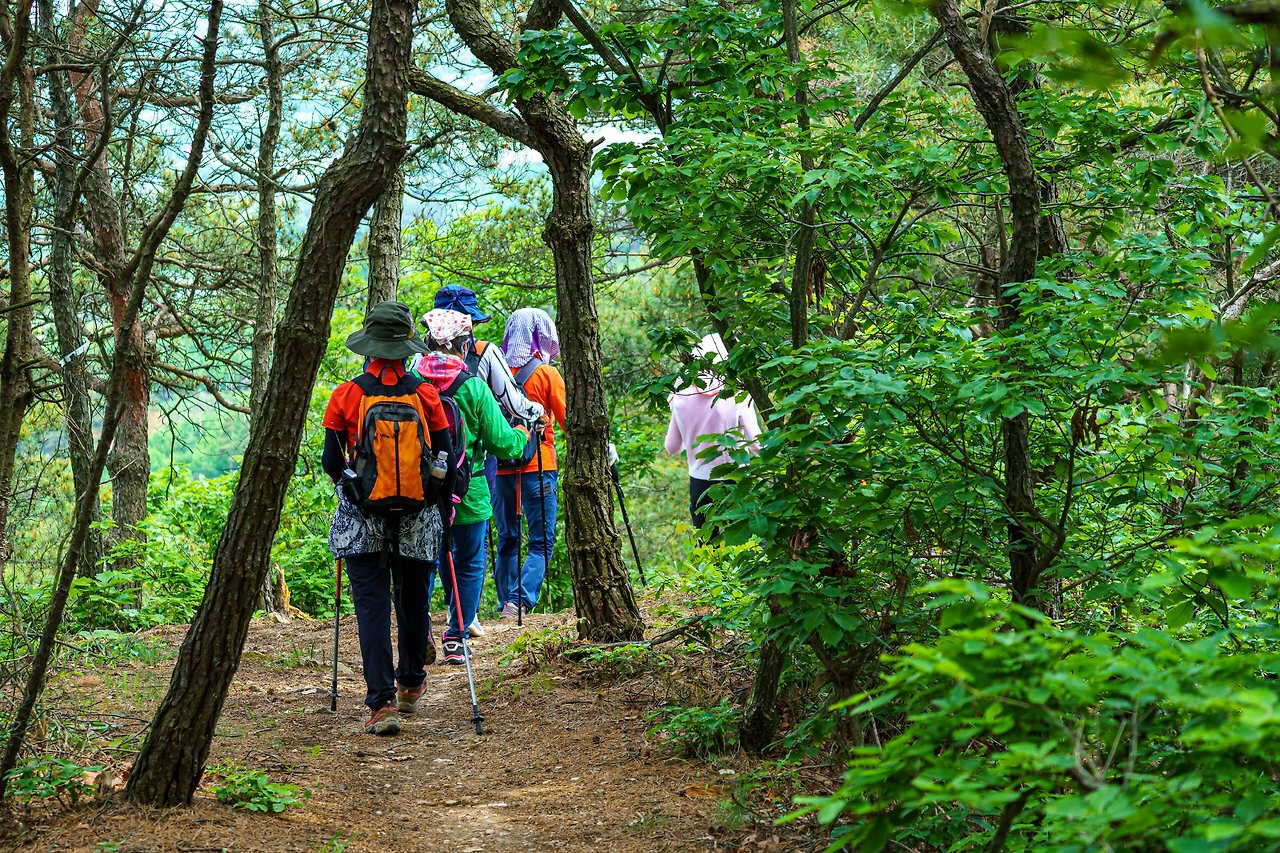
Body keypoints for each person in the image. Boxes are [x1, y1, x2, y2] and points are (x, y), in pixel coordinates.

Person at [322, 301, 453, 736]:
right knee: (413, 600)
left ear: (370, 347)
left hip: (363, 517)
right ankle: (411, 683)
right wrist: (428, 495)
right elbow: (445, 458)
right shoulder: (426, 394)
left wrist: (356, 487)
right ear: (405, 347)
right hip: (418, 516)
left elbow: (330, 460)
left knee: (372, 607)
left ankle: (380, 704)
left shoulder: (348, 394)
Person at [414, 308, 535, 663]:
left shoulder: (414, 385)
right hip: (469, 491)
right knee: (468, 562)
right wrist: (523, 433)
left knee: (425, 563)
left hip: (420, 493)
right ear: (463, 345)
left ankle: (420, 629)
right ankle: (456, 637)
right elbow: (503, 443)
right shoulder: (475, 389)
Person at [493, 308, 566, 619]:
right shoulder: (547, 375)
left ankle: (505, 603)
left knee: (507, 538)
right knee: (541, 541)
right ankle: (519, 601)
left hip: (501, 468)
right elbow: (568, 421)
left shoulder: (494, 371)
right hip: (539, 467)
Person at [664, 333, 761, 530]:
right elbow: (757, 444)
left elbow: (672, 448)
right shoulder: (736, 392)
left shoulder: (680, 394)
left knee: (708, 553)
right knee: (745, 548)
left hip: (700, 486)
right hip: (737, 482)